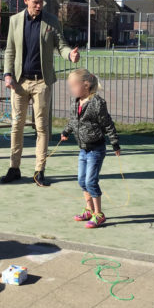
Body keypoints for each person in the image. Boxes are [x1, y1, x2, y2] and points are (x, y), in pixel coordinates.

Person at [1, 0, 81, 186]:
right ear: (26, 0)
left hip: (42, 83)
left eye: (41, 1)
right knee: (16, 126)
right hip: (19, 83)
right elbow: (10, 50)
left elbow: (61, 46)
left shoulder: (52, 21)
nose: (40, 5)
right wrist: (7, 74)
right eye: (36, 2)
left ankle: (39, 171)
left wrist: (70, 55)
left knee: (42, 127)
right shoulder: (15, 21)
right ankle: (14, 168)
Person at [60, 69, 120, 229]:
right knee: (81, 180)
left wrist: (114, 142)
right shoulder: (75, 102)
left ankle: (99, 214)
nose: (71, 90)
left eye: (73, 86)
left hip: (96, 149)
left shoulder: (96, 103)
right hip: (83, 149)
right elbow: (73, 121)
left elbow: (108, 123)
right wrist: (66, 131)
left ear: (86, 85)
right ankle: (89, 209)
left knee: (90, 181)